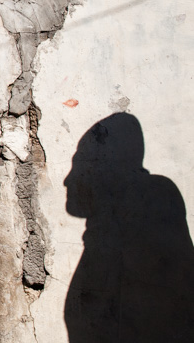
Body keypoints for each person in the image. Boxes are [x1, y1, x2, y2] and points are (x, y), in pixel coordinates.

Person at [64, 113, 194, 342]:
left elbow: (151, 309)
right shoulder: (109, 226)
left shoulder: (152, 199)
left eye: (81, 161)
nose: (68, 179)